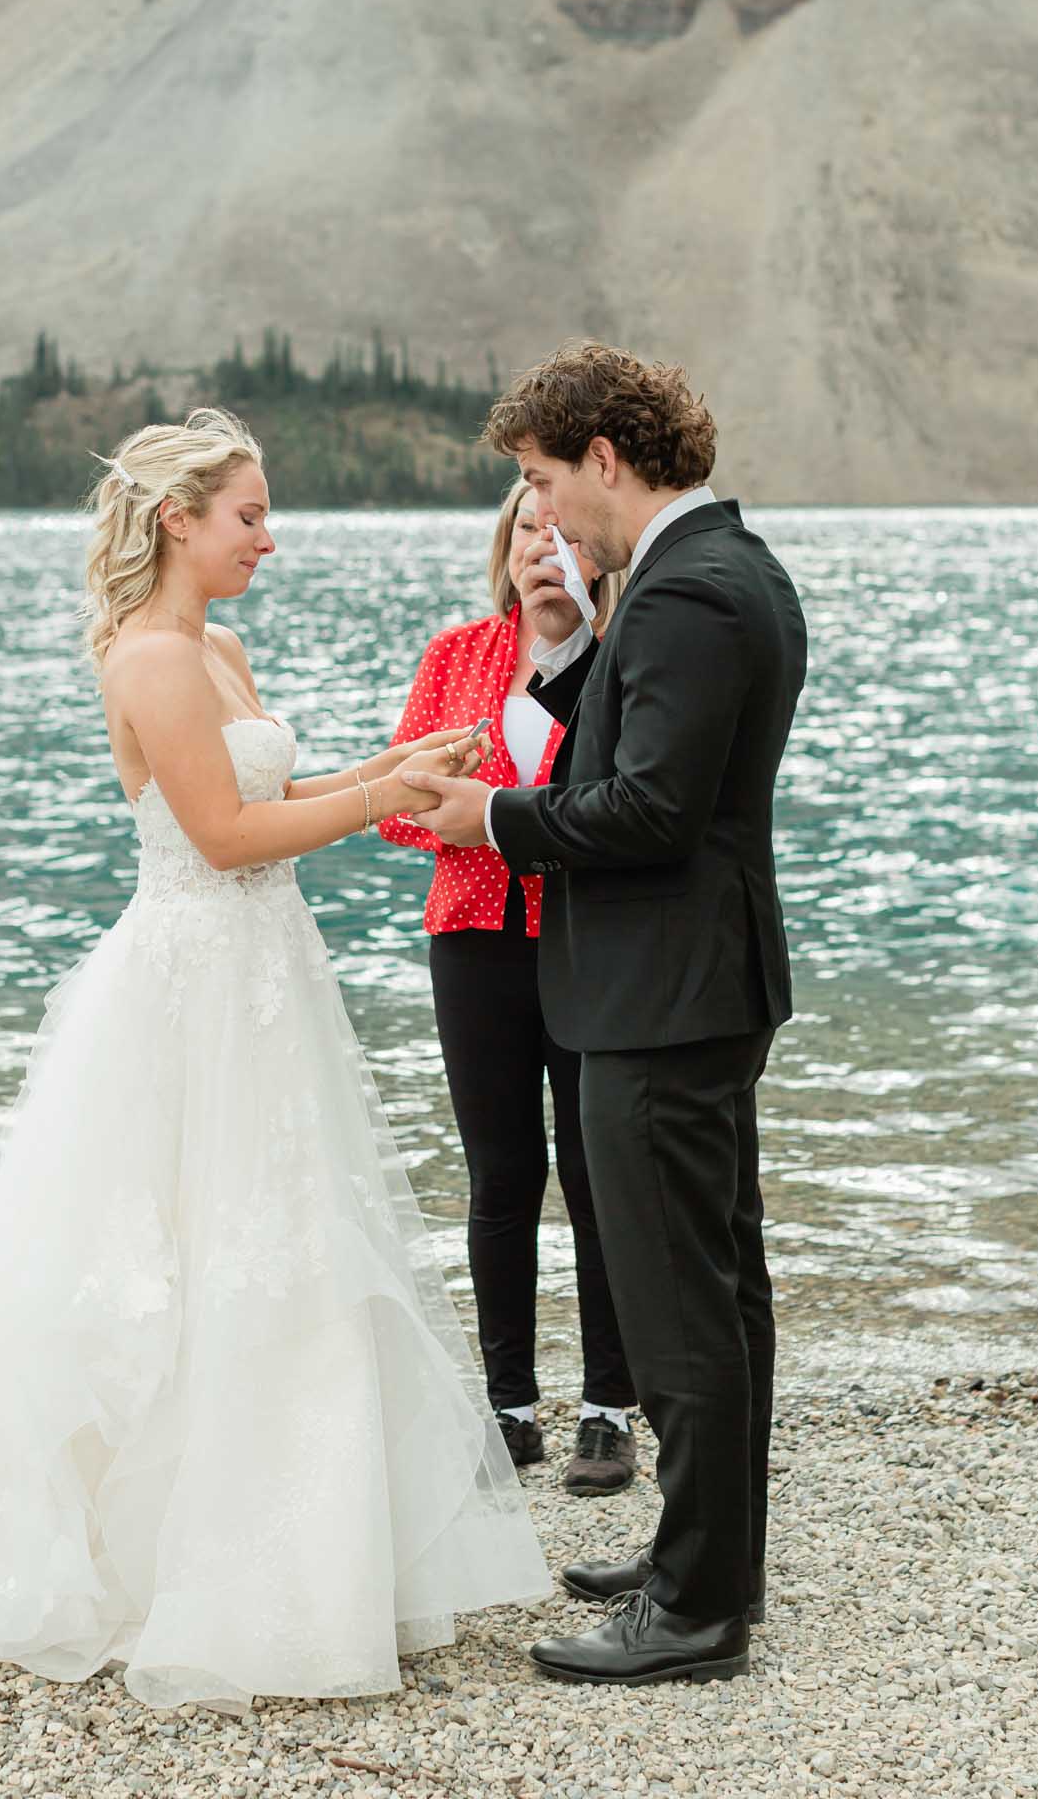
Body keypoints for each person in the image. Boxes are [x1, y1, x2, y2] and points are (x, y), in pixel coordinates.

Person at [0, 408, 552, 1711]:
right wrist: (381, 802)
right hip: (193, 984)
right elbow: (221, 835)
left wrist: (398, 763)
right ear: (179, 521)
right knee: (174, 1253)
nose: (269, 536)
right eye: (248, 515)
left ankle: (320, 1556)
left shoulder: (220, 646)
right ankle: (159, 1562)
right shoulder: (149, 659)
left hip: (265, 981)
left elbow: (273, 790)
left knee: (290, 1242)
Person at [403, 341, 808, 1688]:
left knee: (685, 1300)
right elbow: (639, 737)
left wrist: (495, 821)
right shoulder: (699, 575)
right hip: (684, 982)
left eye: (539, 479)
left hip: (664, 993)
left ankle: (696, 1610)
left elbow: (649, 810)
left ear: (605, 461)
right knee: (718, 1288)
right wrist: (556, 673)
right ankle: (708, 1559)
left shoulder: (694, 591)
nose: (541, 512)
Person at [380, 479, 638, 1493]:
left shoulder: (625, 660)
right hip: (474, 939)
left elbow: (632, 810)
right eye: (529, 531)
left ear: (597, 552)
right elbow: (400, 809)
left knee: (596, 1171)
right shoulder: (456, 656)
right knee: (499, 1177)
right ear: (506, 549)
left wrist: (493, 807)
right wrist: (462, 812)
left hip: (589, 941)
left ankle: (611, 1409)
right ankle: (508, 1407)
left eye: (563, 531)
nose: (546, 547)